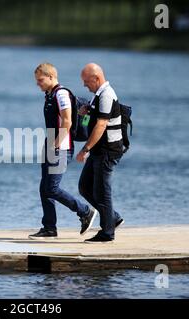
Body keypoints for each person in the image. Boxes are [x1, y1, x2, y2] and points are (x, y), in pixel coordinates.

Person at [29, 63, 97, 240]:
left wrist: (57, 144)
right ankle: (49, 228)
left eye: (40, 80)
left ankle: (85, 211)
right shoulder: (49, 94)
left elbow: (67, 122)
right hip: (51, 143)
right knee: (44, 187)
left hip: (61, 146)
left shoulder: (61, 94)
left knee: (51, 188)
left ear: (51, 76)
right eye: (37, 81)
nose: (38, 83)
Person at [76, 63, 124, 243]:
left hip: (107, 151)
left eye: (86, 81)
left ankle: (107, 233)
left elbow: (101, 125)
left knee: (102, 192)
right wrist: (86, 112)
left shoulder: (106, 95)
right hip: (98, 150)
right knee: (85, 187)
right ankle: (113, 218)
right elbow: (93, 119)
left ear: (96, 78)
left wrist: (85, 149)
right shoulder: (98, 96)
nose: (84, 85)